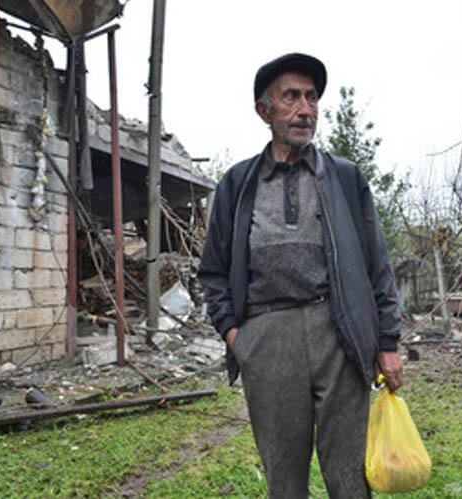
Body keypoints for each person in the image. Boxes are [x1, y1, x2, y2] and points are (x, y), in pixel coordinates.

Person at [198, 52, 403, 498]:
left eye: (311, 98)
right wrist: (236, 336)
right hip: (267, 337)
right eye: (291, 97)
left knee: (350, 476)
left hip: (338, 333)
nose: (305, 109)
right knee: (284, 479)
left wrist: (387, 343)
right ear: (264, 111)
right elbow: (213, 272)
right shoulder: (237, 183)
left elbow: (377, 265)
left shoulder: (344, 178)